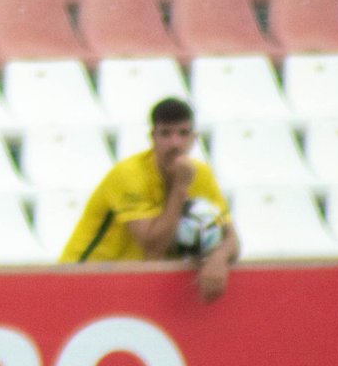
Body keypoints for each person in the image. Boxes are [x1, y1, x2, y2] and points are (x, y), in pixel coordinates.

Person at [58, 97, 241, 303]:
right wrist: (180, 188)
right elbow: (153, 248)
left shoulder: (201, 174)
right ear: (152, 137)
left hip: (135, 281)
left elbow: (232, 239)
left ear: (194, 138)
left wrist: (219, 258)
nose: (175, 143)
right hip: (84, 277)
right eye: (166, 134)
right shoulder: (129, 175)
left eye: (183, 133)